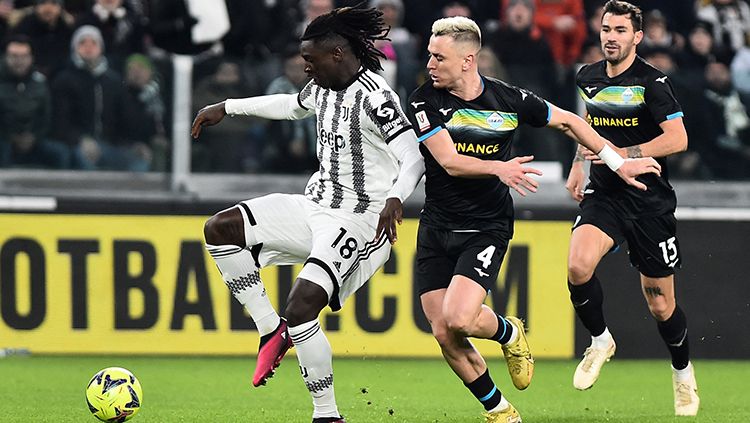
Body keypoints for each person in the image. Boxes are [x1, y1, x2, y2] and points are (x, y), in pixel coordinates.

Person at [405, 15, 660, 423]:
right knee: (443, 332)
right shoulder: (422, 100)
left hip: (486, 227)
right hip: (436, 227)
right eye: (429, 56)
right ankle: (500, 409)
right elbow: (449, 162)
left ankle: (508, 332)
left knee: (457, 318)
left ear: (469, 60)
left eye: (439, 57)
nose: (430, 64)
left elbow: (571, 121)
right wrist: (499, 169)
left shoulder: (509, 100)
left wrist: (616, 161)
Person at [191, 6, 424, 423]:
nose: (305, 67)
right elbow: (289, 105)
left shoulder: (376, 98)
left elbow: (412, 156)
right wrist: (228, 106)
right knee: (220, 229)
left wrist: (396, 197)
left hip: (362, 220)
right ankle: (268, 330)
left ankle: (327, 414)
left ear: (337, 54)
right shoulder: (322, 87)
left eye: (310, 60)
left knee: (300, 308)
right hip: (315, 206)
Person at [564, 0, 699, 416]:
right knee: (577, 266)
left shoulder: (653, 82)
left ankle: (682, 374)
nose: (610, 37)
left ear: (637, 37)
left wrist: (626, 153)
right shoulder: (587, 76)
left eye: (620, 30)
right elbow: (590, 126)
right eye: (606, 29)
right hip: (604, 195)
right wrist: (577, 163)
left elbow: (678, 138)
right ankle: (601, 340)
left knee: (660, 304)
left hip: (648, 201)